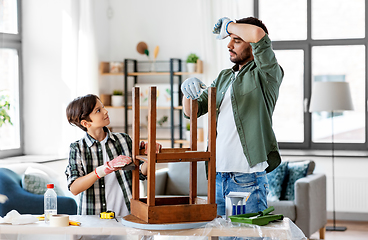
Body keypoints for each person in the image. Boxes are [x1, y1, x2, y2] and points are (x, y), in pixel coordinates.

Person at [181, 17, 284, 217]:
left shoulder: (267, 75)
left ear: (253, 46)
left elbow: (258, 35)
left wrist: (229, 25)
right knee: (221, 237)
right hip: (217, 177)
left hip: (247, 179)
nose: (229, 45)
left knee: (245, 238)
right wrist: (187, 92)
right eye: (230, 39)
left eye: (236, 40)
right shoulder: (223, 77)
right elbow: (191, 111)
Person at [65, 94, 161, 216]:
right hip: (93, 220)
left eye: (103, 107)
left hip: (126, 216)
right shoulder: (77, 148)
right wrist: (104, 169)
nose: (106, 111)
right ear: (86, 123)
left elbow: (141, 173)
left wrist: (150, 157)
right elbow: (74, 188)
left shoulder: (124, 140)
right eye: (98, 110)